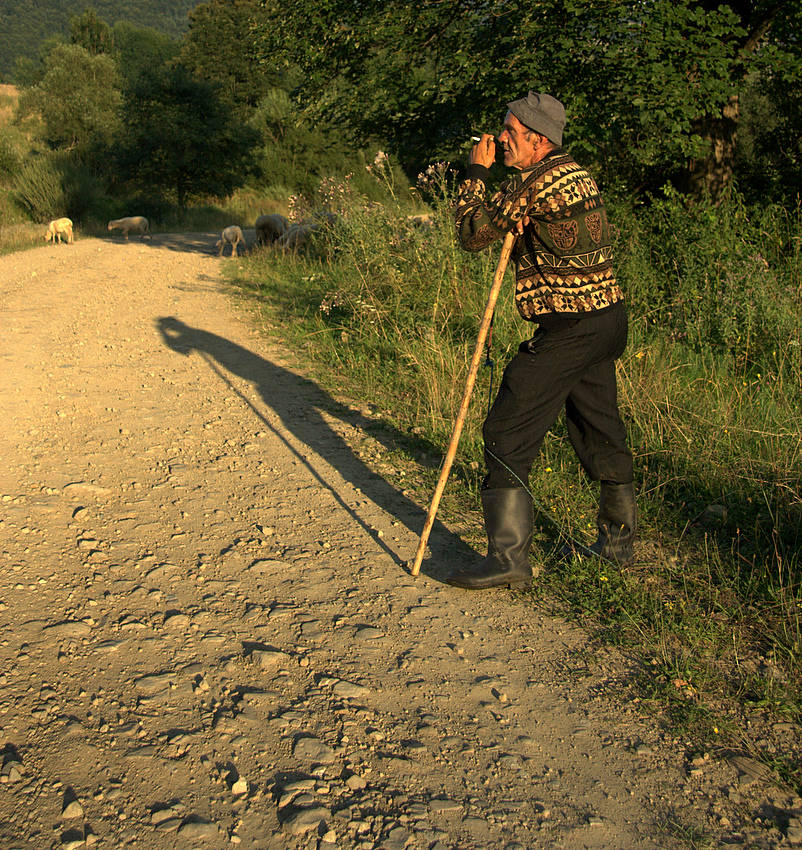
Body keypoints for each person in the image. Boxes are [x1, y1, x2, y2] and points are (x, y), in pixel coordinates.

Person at [446, 91, 636, 590]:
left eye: (509, 133)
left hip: (571, 326)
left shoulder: (535, 180)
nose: (500, 140)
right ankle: (617, 546)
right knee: (598, 424)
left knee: (506, 429)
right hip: (606, 319)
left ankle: (508, 559)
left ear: (538, 139)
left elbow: (471, 232)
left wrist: (476, 173)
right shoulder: (574, 172)